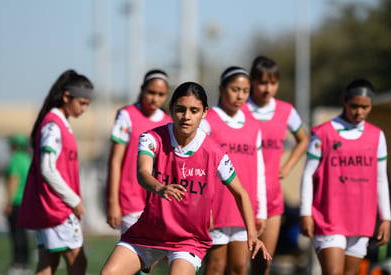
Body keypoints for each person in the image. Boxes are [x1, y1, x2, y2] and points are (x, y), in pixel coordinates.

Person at [101, 82, 271, 275]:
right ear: (171, 109)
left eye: (194, 110)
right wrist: (160, 188)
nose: (187, 116)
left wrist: (252, 234)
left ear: (204, 112)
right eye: (180, 110)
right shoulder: (151, 138)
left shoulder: (214, 152)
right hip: (148, 232)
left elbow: (241, 193)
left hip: (188, 240)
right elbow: (143, 173)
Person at [299, 78, 391, 275]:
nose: (359, 111)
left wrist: (386, 218)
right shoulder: (324, 134)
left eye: (365, 107)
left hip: (361, 219)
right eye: (354, 106)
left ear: (371, 106)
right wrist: (305, 213)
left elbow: (381, 180)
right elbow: (307, 175)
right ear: (345, 102)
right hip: (328, 218)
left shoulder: (377, 136)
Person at [18, 69, 93, 275]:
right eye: (82, 103)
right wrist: (73, 200)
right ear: (67, 96)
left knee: (47, 263)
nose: (84, 109)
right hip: (56, 207)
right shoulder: (53, 126)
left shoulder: (59, 123)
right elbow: (47, 168)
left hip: (50, 206)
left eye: (88, 104)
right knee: (78, 262)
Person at [242, 55, 309, 275]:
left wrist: (287, 167)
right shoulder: (240, 110)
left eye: (273, 83)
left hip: (272, 197)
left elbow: (303, 139)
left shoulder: (286, 110)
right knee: (239, 265)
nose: (268, 88)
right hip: (242, 196)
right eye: (262, 82)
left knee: (263, 263)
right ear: (252, 81)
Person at [200, 66, 267, 275]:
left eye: (245, 90)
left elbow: (259, 170)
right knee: (215, 266)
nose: (240, 95)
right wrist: (203, 208)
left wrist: (261, 210)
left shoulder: (253, 126)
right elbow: (199, 167)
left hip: (242, 209)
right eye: (234, 89)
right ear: (222, 88)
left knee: (239, 267)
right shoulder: (207, 122)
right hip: (216, 209)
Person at [106, 69, 171, 234]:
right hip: (131, 199)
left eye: (161, 94)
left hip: (158, 198)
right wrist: (113, 202)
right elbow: (115, 161)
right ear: (142, 90)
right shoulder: (126, 115)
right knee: (137, 252)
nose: (155, 98)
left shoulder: (168, 121)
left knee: (157, 254)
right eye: (151, 92)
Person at [4, 133, 32, 275]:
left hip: (16, 202)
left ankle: (18, 263)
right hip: (27, 203)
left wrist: (8, 202)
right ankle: (25, 263)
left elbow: (13, 181)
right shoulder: (27, 159)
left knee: (16, 234)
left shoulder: (15, 160)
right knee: (23, 234)